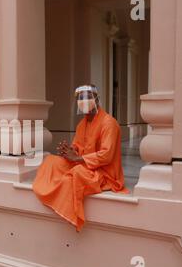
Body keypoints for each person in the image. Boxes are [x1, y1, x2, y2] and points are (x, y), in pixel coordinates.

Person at [33, 85, 127, 232]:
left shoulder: (109, 123)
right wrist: (69, 151)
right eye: (80, 99)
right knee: (50, 161)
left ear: (96, 99)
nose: (84, 101)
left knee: (76, 173)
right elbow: (77, 147)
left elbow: (106, 156)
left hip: (104, 173)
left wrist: (79, 158)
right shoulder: (82, 124)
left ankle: (68, 207)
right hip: (83, 164)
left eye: (88, 97)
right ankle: (50, 194)